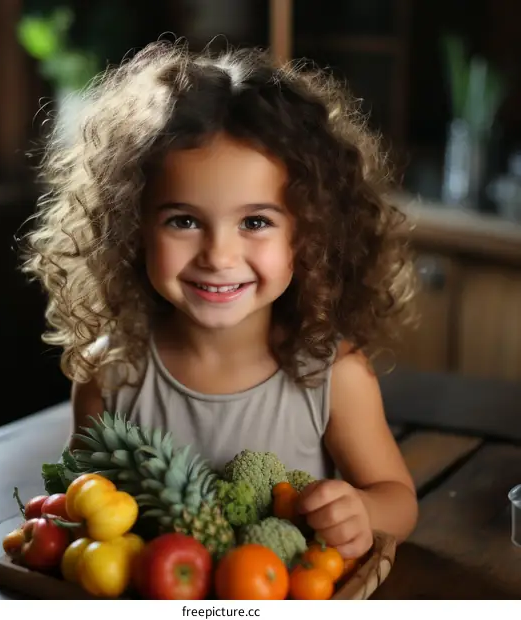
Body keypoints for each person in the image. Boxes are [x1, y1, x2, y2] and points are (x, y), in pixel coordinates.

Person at [21, 40, 419, 558]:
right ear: (132, 228)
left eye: (255, 222)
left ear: (310, 235)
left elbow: (399, 501)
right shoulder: (110, 374)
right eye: (184, 221)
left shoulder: (332, 375)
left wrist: (360, 512)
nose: (218, 254)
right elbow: (80, 508)